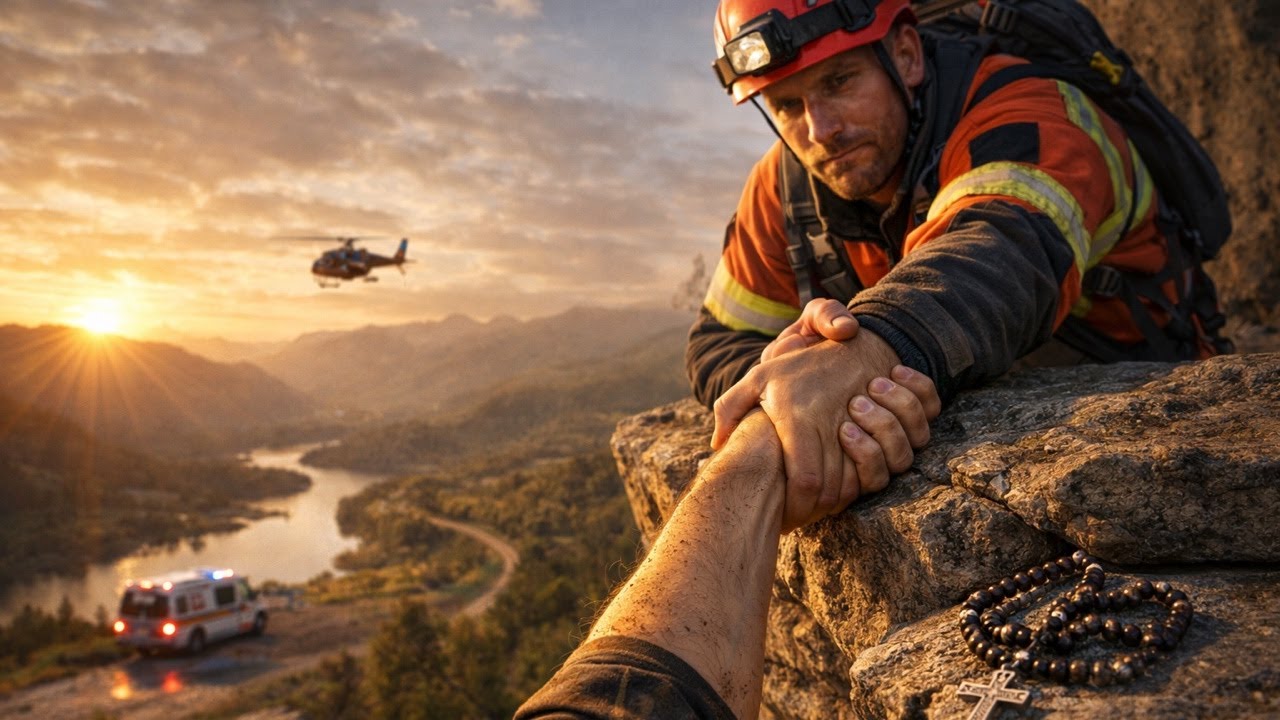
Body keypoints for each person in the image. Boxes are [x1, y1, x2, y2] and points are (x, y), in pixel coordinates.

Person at [686, 0, 1230, 521]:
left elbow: (1004, 253)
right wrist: (790, 400)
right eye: (785, 104)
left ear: (905, 55)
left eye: (839, 81)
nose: (820, 129)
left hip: (1154, 413)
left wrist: (858, 362)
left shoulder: (1032, 111)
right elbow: (719, 339)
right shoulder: (784, 183)